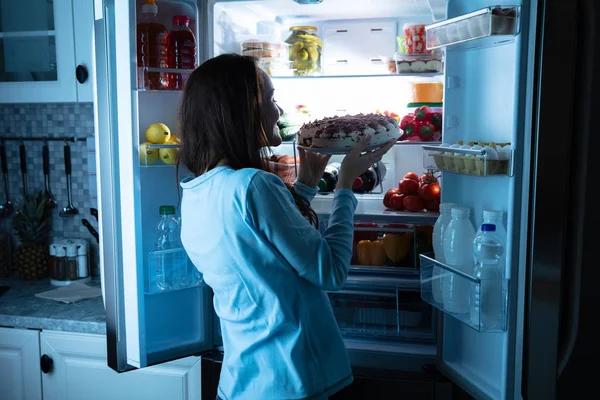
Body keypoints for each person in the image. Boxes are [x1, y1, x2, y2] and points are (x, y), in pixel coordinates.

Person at [177, 53, 395, 400]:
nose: (278, 110)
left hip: (242, 381)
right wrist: (345, 186)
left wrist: (306, 184)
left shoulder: (197, 191)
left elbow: (267, 251)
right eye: (272, 99)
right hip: (289, 380)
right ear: (244, 110)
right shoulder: (254, 185)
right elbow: (331, 272)